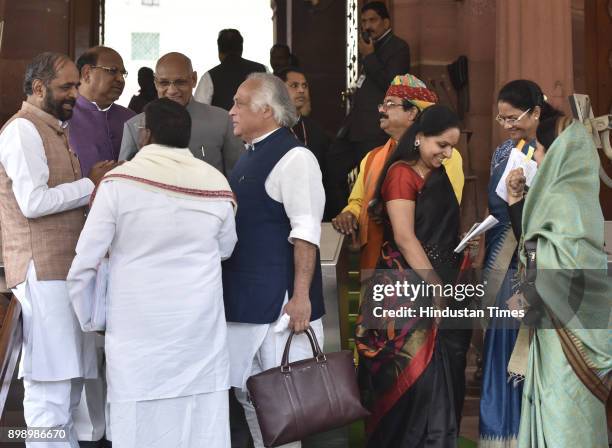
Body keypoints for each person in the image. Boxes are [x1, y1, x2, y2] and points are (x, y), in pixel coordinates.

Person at [67, 98, 237, 448]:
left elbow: (84, 263)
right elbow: (226, 248)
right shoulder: (216, 182)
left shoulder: (118, 182)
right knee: (200, 429)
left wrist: (92, 319)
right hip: (199, 339)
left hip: (137, 340)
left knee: (139, 432)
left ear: (144, 135)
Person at [0, 52, 115, 448]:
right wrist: (90, 184)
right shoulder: (22, 131)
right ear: (37, 88)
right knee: (49, 392)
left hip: (62, 275)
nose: (74, 94)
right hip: (42, 276)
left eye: (74, 86)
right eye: (66, 87)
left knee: (68, 389)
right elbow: (32, 202)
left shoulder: (52, 128)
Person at [222, 73, 325, 448]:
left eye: (238, 103)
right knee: (251, 397)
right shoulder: (248, 156)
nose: (231, 111)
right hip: (246, 304)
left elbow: (306, 231)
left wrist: (301, 298)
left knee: (282, 405)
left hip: (280, 309)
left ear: (266, 110)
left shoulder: (296, 157)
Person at [356, 105, 463, 447]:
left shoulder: (436, 173)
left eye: (452, 147)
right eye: (441, 145)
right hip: (404, 289)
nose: (447, 154)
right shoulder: (401, 174)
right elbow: (404, 236)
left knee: (433, 381)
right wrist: (434, 283)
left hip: (433, 282)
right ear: (419, 138)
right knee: (411, 380)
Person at [504, 115, 612, 447]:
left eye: (539, 147)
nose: (535, 154)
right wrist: (516, 203)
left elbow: (542, 263)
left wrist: (516, 305)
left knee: (559, 408)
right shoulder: (582, 199)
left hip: (560, 331)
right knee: (581, 414)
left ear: (558, 153)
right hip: (583, 325)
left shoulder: (557, 201)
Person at [477, 79, 562, 447]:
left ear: (536, 113)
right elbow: (492, 207)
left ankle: (526, 436)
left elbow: (548, 217)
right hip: (498, 260)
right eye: (501, 118)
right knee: (498, 347)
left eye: (513, 117)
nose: (507, 124)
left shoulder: (549, 155)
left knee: (522, 349)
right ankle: (500, 436)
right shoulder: (501, 153)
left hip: (529, 266)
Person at [331, 74, 464, 275]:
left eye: (390, 104)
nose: (382, 110)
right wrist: (349, 213)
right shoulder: (373, 157)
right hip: (377, 261)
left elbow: (444, 211)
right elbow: (359, 201)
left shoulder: (445, 157)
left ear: (412, 113)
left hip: (423, 262)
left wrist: (389, 211)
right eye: (382, 104)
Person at [326, 1, 410, 216]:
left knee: (371, 179)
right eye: (363, 21)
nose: (367, 26)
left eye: (372, 20)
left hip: (374, 128)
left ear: (386, 22)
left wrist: (370, 56)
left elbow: (392, 85)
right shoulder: (369, 45)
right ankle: (342, 218)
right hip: (355, 125)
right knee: (332, 166)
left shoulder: (398, 47)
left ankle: (365, 223)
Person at [119, 52, 244, 176]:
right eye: (164, 83)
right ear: (155, 83)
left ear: (193, 79)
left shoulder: (222, 121)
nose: (172, 91)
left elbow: (238, 177)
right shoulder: (135, 126)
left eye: (180, 82)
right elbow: (125, 181)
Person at [69, 46, 135, 178]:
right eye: (112, 71)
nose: (120, 79)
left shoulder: (132, 119)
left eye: (122, 73)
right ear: (86, 73)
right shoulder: (62, 117)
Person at [276, 66, 330, 183]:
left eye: (304, 86)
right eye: (294, 86)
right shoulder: (271, 127)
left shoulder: (316, 130)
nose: (301, 90)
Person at [194, 29, 266, 110]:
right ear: (241, 49)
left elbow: (199, 109)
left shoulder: (210, 76)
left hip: (222, 122)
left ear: (219, 51)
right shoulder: (263, 70)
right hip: (258, 122)